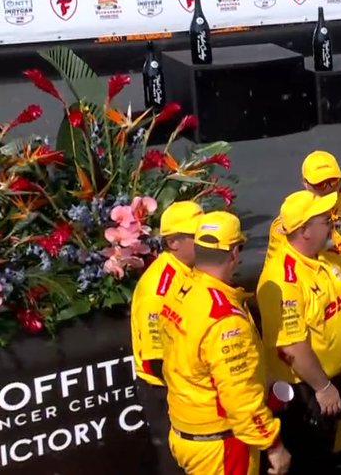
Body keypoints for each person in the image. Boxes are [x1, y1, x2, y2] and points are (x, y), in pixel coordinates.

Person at [160, 211, 291, 475]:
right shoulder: (226, 321)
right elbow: (240, 398)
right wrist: (274, 446)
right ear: (233, 253)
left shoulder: (179, 292)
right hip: (221, 446)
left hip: (186, 433)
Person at [257, 190, 341, 473]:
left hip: (333, 379)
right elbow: (291, 347)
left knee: (331, 456)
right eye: (324, 219)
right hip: (307, 392)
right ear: (304, 231)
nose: (332, 222)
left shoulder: (326, 259)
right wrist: (323, 387)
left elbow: (340, 314)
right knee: (310, 462)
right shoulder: (283, 278)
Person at [130, 201, 203, 475]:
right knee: (177, 465)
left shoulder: (195, 269)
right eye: (198, 236)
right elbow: (153, 361)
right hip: (166, 391)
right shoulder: (157, 290)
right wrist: (195, 386)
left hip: (189, 383)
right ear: (173, 242)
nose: (208, 240)